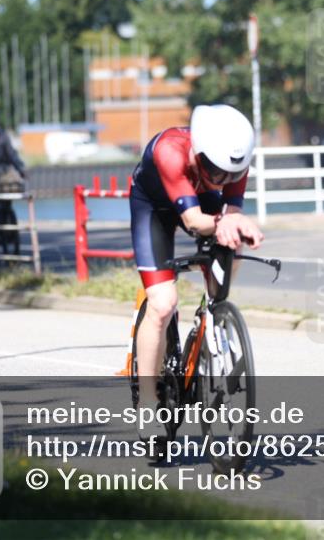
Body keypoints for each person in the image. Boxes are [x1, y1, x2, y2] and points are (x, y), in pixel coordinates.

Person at [129, 104, 263, 432]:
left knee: (232, 241)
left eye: (231, 175)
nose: (223, 180)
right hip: (154, 207)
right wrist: (225, 221)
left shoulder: (234, 162)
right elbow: (193, 221)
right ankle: (148, 403)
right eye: (215, 171)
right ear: (197, 152)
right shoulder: (170, 153)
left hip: (200, 201)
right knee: (163, 304)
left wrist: (238, 224)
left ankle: (212, 312)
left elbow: (230, 214)